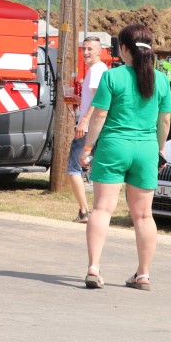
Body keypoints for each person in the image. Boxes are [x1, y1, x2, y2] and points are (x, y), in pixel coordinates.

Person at [82, 23, 171, 291]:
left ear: (123, 49)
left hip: (113, 146)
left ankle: (94, 269)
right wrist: (160, 149)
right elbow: (164, 121)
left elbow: (99, 116)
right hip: (145, 150)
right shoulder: (162, 80)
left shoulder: (113, 76)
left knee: (102, 208)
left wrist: (87, 149)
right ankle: (143, 274)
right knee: (144, 215)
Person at [68, 36, 107, 223]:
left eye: (90, 49)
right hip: (93, 126)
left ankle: (84, 211)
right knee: (95, 168)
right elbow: (94, 99)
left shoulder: (97, 70)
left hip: (89, 127)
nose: (86, 52)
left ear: (100, 51)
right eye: (84, 48)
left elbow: (99, 100)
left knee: (73, 167)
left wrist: (84, 121)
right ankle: (97, 211)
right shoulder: (98, 70)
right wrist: (79, 101)